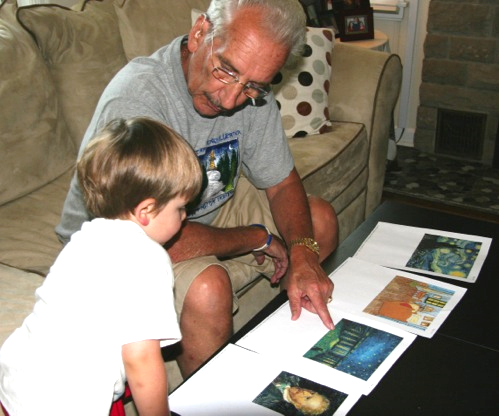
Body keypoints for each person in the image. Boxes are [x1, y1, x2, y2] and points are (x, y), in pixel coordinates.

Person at [56, 0, 338, 380]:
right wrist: (256, 237)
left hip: (201, 208)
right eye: (226, 71)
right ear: (200, 32)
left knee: (317, 222)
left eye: (252, 86)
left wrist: (302, 251)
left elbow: (283, 182)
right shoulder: (139, 101)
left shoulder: (248, 89)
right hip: (126, 240)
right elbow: (142, 235)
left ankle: (279, 355)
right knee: (208, 288)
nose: (230, 100)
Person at [0, 117, 202, 415]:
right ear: (146, 210)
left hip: (18, 384)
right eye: (180, 207)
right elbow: (141, 360)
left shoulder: (85, 237)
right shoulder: (147, 257)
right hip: (65, 403)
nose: (184, 217)